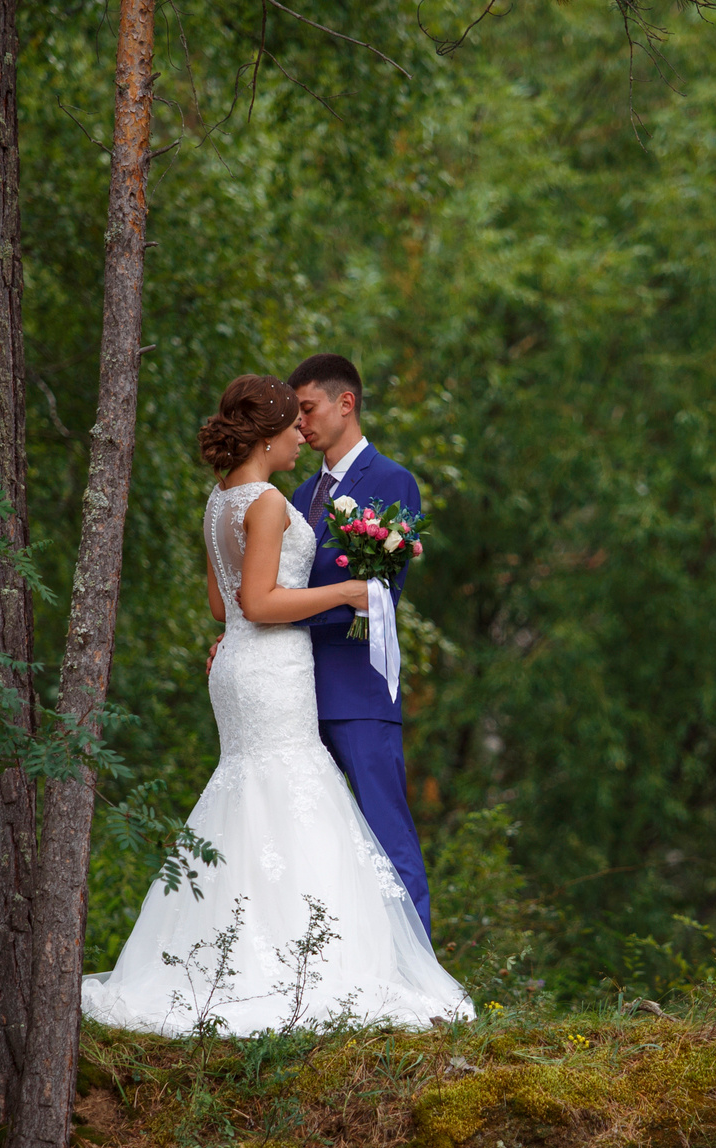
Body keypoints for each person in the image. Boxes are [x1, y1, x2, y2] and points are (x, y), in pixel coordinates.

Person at [80, 376, 470, 1036]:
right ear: (267, 436)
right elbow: (260, 603)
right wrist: (345, 592)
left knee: (249, 797)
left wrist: (251, 620)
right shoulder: (265, 501)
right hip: (272, 665)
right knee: (290, 793)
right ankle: (303, 969)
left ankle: (238, 954)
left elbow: (223, 605)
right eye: (292, 424)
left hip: (239, 663)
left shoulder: (219, 499)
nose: (300, 435)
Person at [284, 353, 435, 931]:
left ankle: (420, 978)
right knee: (313, 842)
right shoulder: (297, 494)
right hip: (293, 691)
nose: (300, 425)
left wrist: (291, 619)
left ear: (345, 403)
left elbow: (378, 600)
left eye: (308, 409)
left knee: (386, 833)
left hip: (358, 691)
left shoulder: (393, 482)